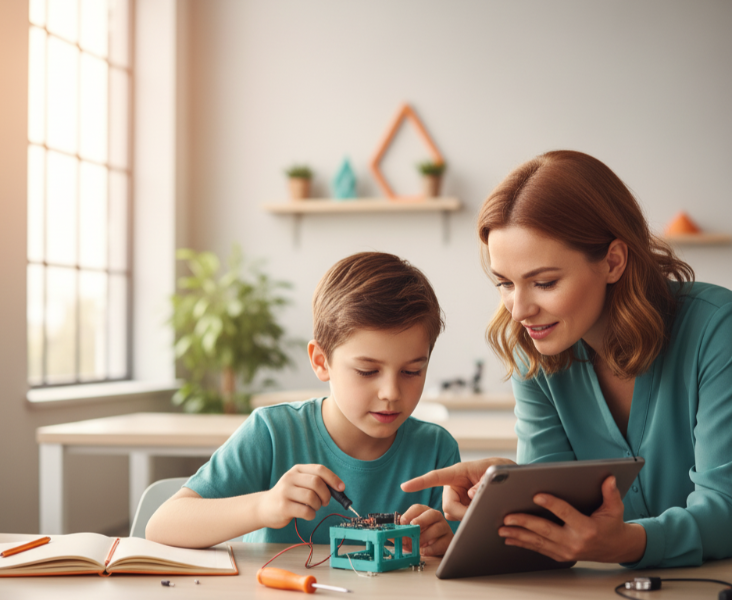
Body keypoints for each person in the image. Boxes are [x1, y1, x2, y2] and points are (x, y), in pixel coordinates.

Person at [403, 150, 732, 569]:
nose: (519, 311)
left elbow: (725, 508)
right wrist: (508, 489)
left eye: (544, 282)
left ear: (613, 261)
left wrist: (629, 544)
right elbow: (556, 523)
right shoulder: (532, 350)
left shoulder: (716, 329)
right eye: (505, 283)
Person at [147, 251, 459, 556]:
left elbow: (454, 559)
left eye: (411, 371)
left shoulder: (436, 451)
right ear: (321, 361)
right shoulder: (271, 433)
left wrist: (443, 545)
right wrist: (264, 506)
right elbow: (162, 526)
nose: (391, 392)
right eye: (367, 371)